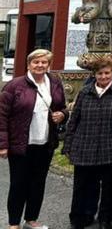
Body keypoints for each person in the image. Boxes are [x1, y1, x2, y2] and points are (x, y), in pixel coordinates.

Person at [0, 49, 68, 229]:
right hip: (20, 144)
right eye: (36, 62)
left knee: (38, 183)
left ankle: (31, 219)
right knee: (18, 184)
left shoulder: (54, 83)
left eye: (44, 62)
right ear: (29, 64)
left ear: (48, 65)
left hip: (45, 143)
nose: (40, 65)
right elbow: (2, 116)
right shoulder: (14, 86)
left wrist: (62, 114)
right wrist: (3, 145)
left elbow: (63, 107)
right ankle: (14, 223)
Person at [63, 55, 112, 229]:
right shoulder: (85, 92)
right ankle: (79, 217)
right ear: (94, 74)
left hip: (110, 146)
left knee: (109, 187)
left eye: (107, 73)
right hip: (85, 144)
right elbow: (74, 120)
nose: (103, 77)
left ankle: (104, 218)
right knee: (82, 186)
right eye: (100, 73)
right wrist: (68, 144)